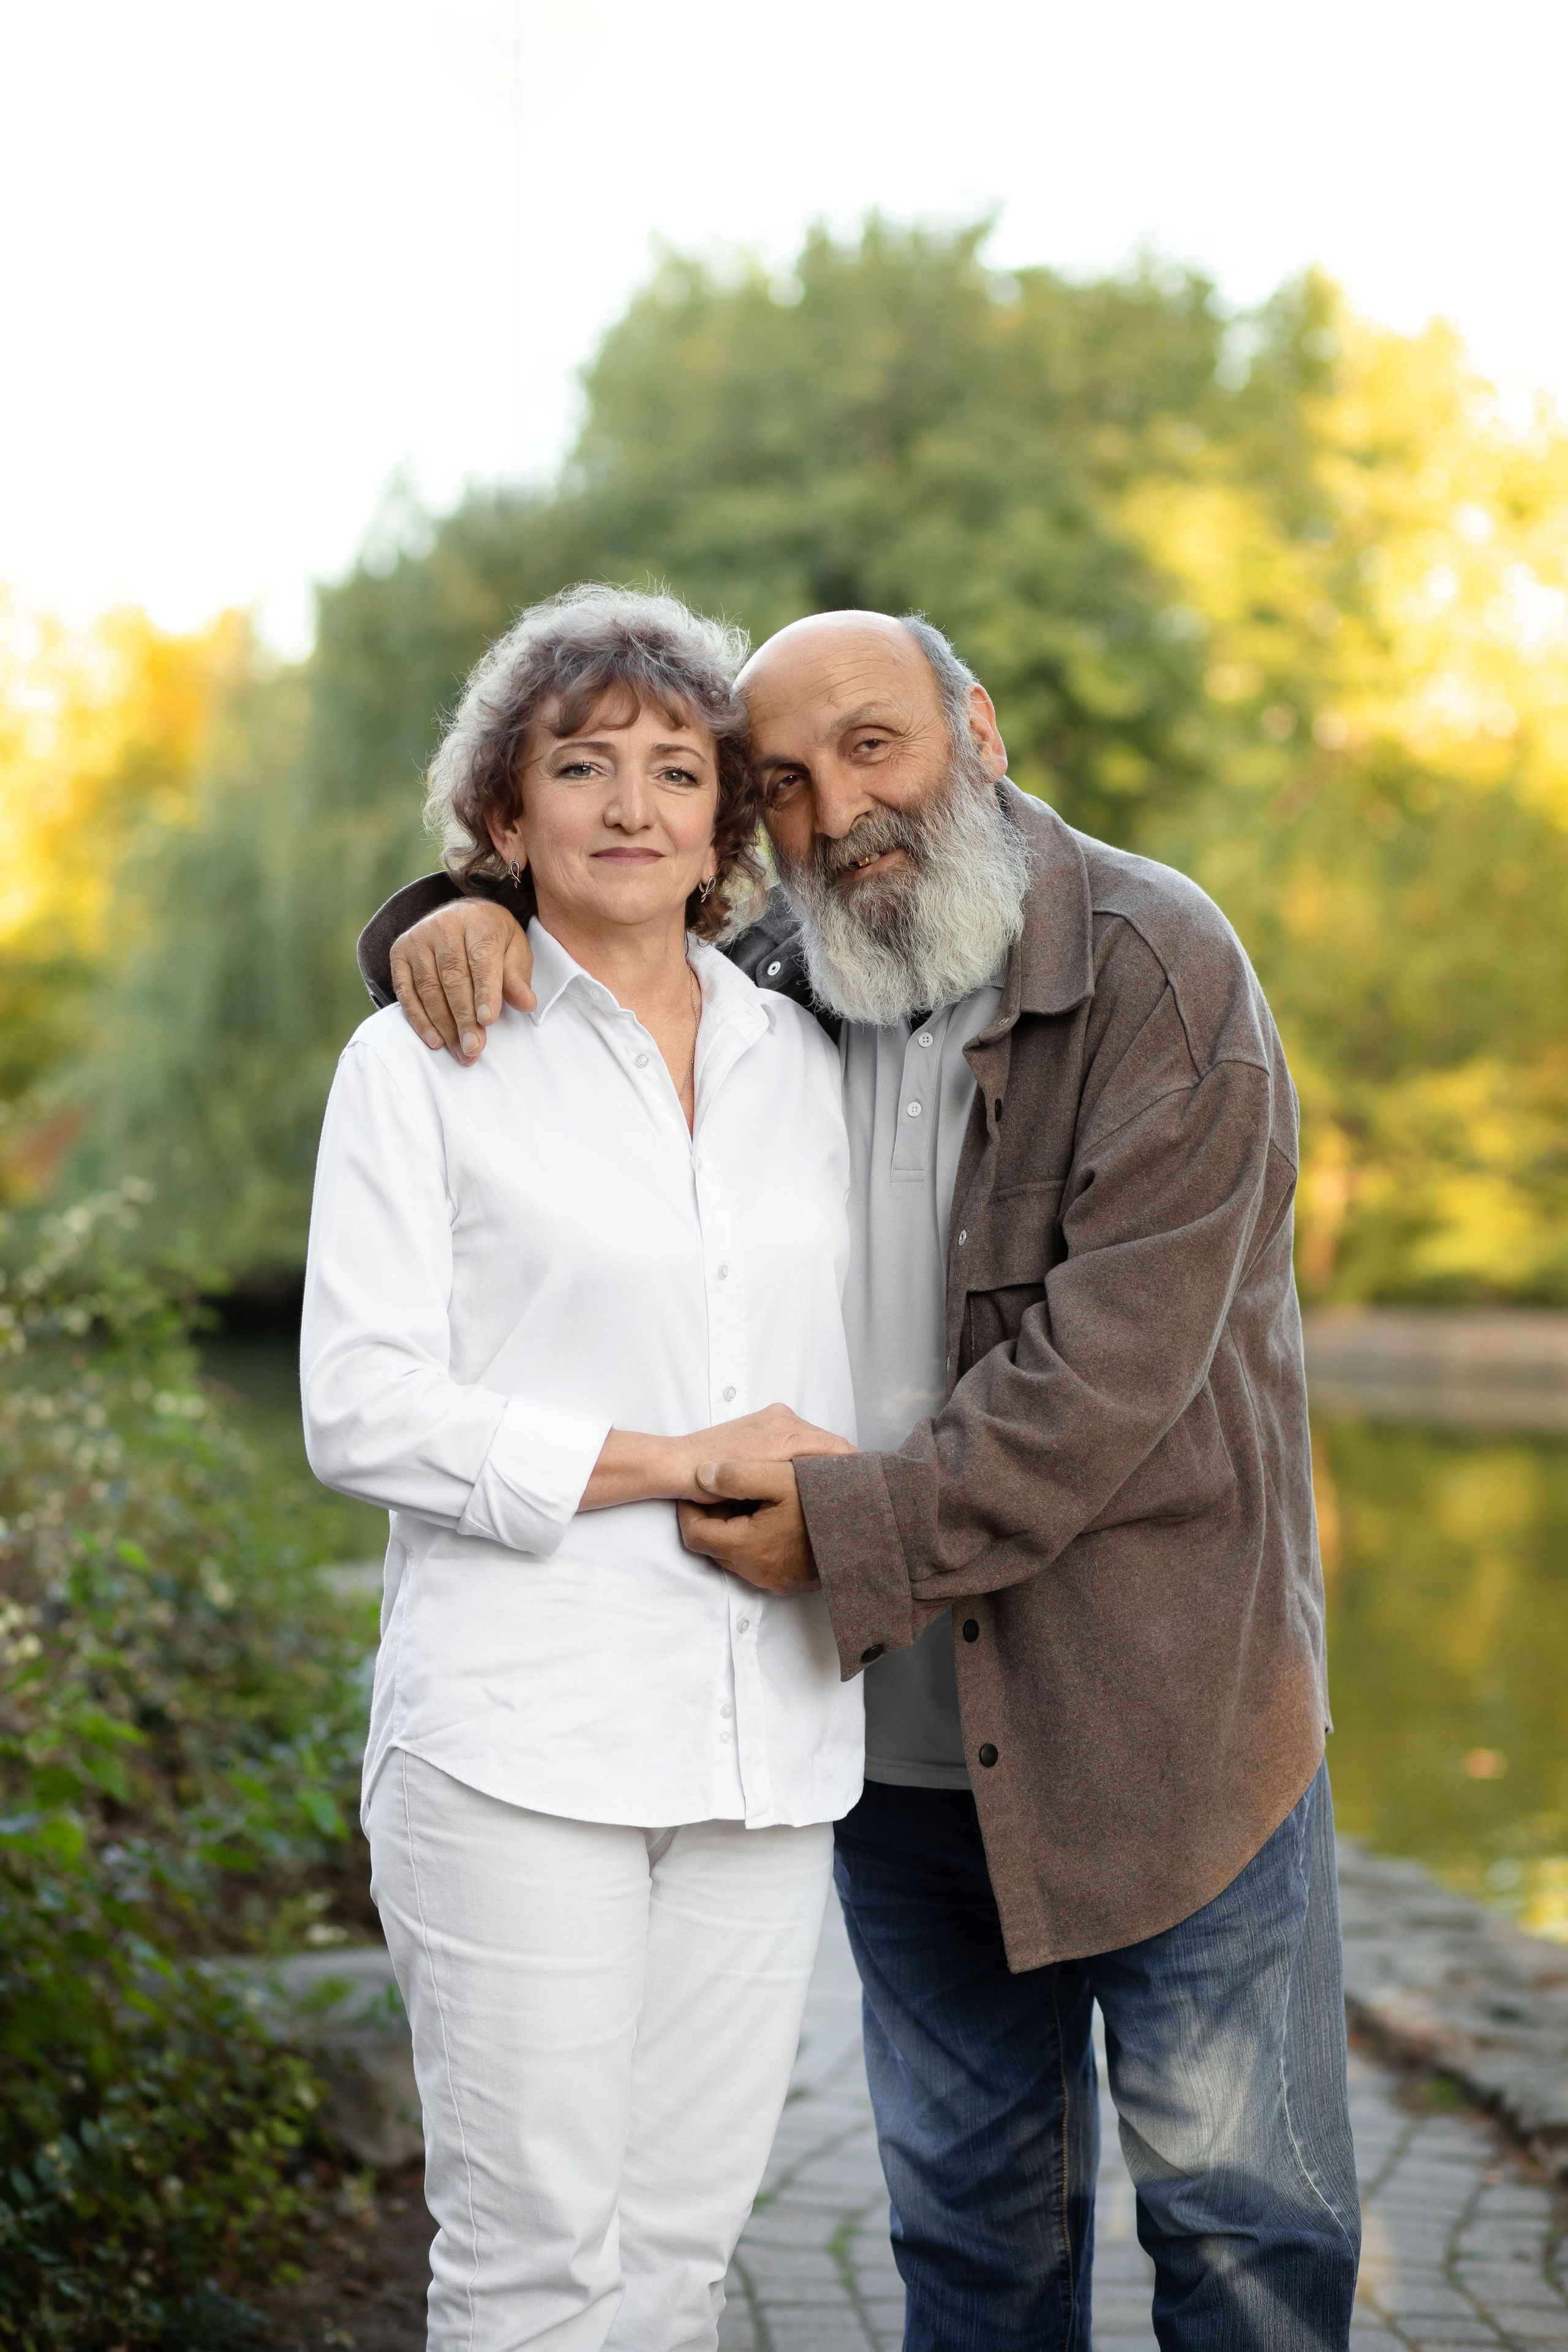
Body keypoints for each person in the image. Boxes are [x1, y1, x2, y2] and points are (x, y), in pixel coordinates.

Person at [361, 607, 1362, 2351]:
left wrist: (842, 1523)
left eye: (875, 747)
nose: (842, 811)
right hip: (906, 1752)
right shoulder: (784, 972)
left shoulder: (1159, 965)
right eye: (790, 784)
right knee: (973, 2241)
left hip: (1165, 1723)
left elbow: (1103, 1383)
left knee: (1247, 2235)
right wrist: (442, 925)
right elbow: (603, 951)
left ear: (975, 726)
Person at [301, 585, 864, 2352]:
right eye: (583, 766)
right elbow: (360, 1407)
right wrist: (677, 1462)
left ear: (722, 825)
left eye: (677, 770)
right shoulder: (422, 1059)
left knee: (681, 2265)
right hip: (519, 1746)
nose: (632, 805)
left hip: (764, 1742)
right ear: (504, 816)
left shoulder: (809, 1053)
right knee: (535, 2267)